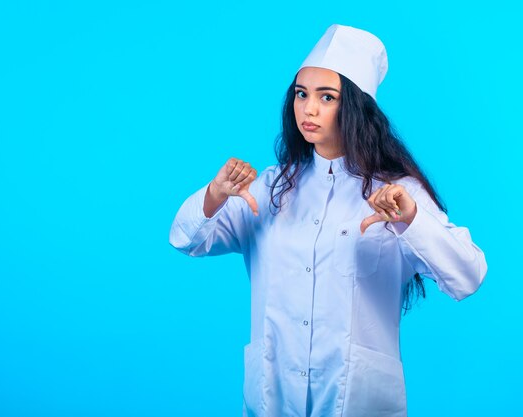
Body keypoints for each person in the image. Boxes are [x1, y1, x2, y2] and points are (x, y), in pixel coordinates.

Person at [168, 23, 487, 417]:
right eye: (302, 94)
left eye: (327, 97)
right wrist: (216, 194)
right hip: (274, 395)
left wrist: (411, 219)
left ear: (354, 106)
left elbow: (468, 276)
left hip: (358, 399)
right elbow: (184, 240)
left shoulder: (398, 193)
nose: (309, 109)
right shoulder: (269, 188)